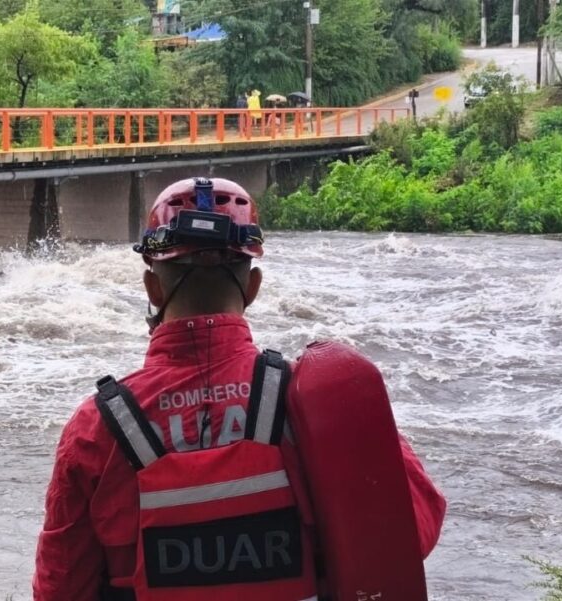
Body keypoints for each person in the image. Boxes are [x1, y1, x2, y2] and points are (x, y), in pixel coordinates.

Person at [33, 177, 446, 600]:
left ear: (152, 288)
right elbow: (413, 528)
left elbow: (60, 588)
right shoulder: (319, 401)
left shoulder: (96, 429)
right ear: (253, 287)